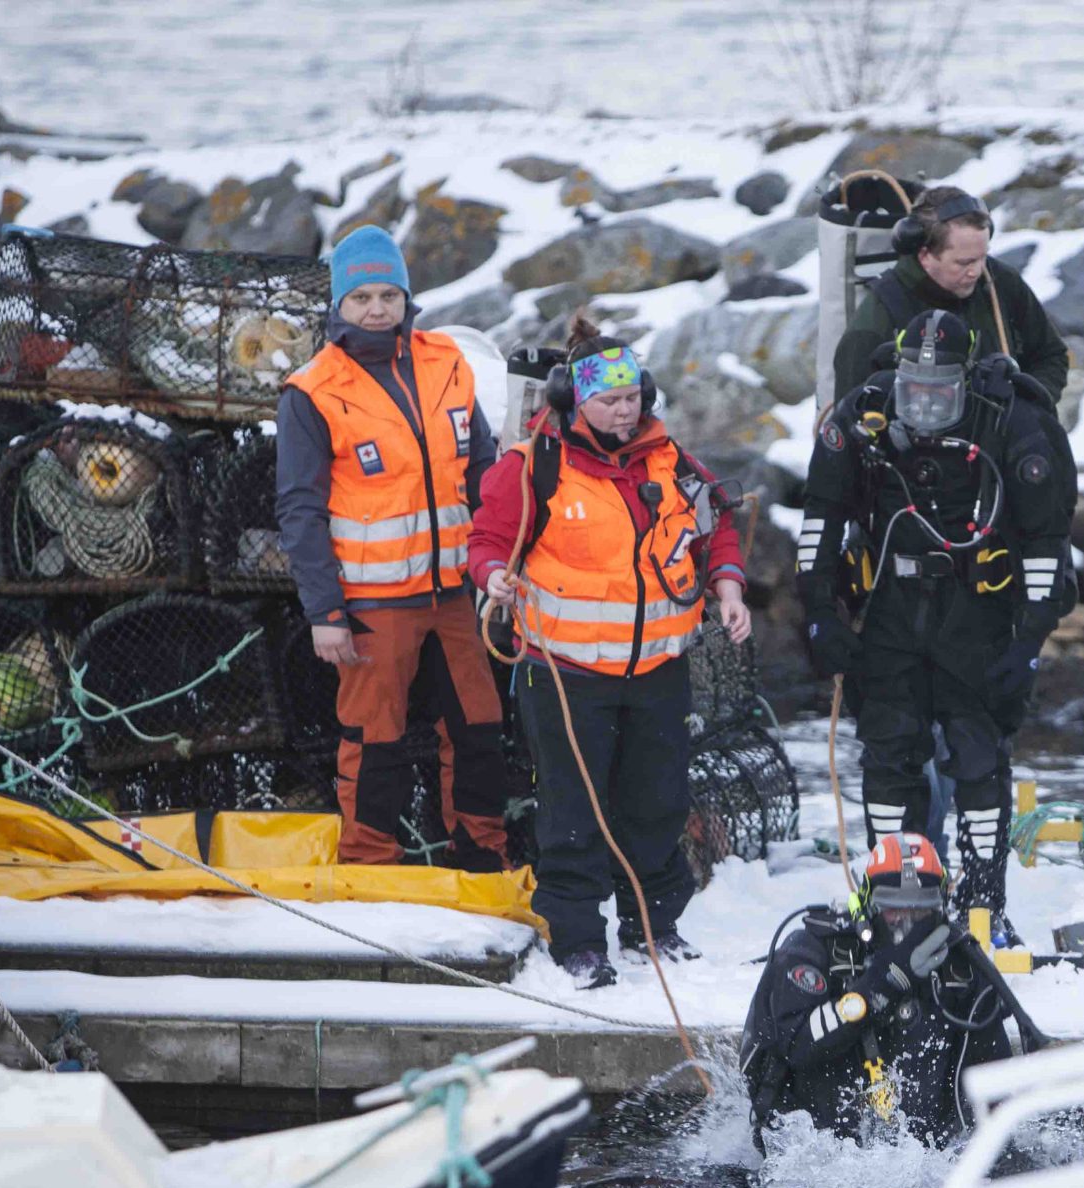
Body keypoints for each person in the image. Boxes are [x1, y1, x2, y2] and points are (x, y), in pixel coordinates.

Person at [468, 322, 752, 990]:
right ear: (576, 401)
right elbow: (485, 538)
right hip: (564, 676)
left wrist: (730, 588)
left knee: (655, 801)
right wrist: (492, 578)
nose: (625, 410)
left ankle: (654, 927)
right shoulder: (531, 463)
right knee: (572, 809)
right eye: (609, 400)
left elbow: (718, 527)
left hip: (658, 670)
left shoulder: (671, 460)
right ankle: (578, 938)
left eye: (633, 397)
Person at [798, 308, 1078, 947]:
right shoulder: (860, 418)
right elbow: (821, 517)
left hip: (976, 609)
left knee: (979, 759)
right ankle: (891, 902)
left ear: (963, 380)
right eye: (912, 392)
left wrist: (1030, 641)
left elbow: (1046, 539)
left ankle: (985, 907)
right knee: (889, 755)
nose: (923, 406)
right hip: (891, 606)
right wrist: (818, 613)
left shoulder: (1012, 420)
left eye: (937, 393)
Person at [279, 224, 510, 869]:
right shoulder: (312, 391)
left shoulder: (448, 361)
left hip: (457, 595)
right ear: (338, 306)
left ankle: (481, 858)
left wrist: (495, 564)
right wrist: (325, 614)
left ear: (408, 298)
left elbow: (483, 468)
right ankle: (370, 864)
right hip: (372, 602)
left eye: (389, 295)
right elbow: (299, 512)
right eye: (361, 298)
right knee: (373, 739)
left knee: (479, 730)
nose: (377, 309)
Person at [739, 832, 1043, 1148]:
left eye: (920, 911)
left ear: (940, 907)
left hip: (919, 1156)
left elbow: (995, 1087)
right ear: (867, 904)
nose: (905, 924)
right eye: (893, 910)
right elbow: (795, 1043)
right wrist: (876, 990)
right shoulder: (815, 950)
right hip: (809, 1152)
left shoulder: (960, 969)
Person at [831, 185, 1070, 404]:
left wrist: (1025, 406)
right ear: (924, 255)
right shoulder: (878, 317)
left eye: (983, 256)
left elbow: (1050, 355)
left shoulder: (999, 281)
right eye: (964, 262)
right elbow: (852, 414)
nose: (976, 271)